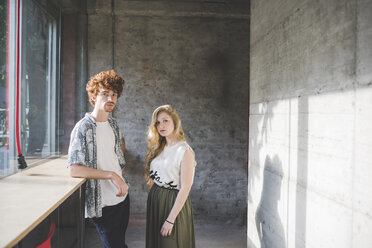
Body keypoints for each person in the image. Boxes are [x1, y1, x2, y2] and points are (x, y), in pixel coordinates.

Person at [67, 70, 129, 248]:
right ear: (94, 97)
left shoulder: (113, 124)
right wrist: (111, 175)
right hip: (102, 202)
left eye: (114, 94)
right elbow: (74, 169)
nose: (111, 99)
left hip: (122, 197)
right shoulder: (83, 128)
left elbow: (116, 157)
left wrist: (120, 175)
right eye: (105, 94)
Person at [145, 105, 197, 248]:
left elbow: (186, 186)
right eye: (157, 122)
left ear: (175, 122)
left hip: (173, 202)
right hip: (156, 199)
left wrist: (171, 219)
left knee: (171, 242)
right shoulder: (159, 147)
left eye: (165, 120)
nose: (161, 125)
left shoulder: (184, 151)